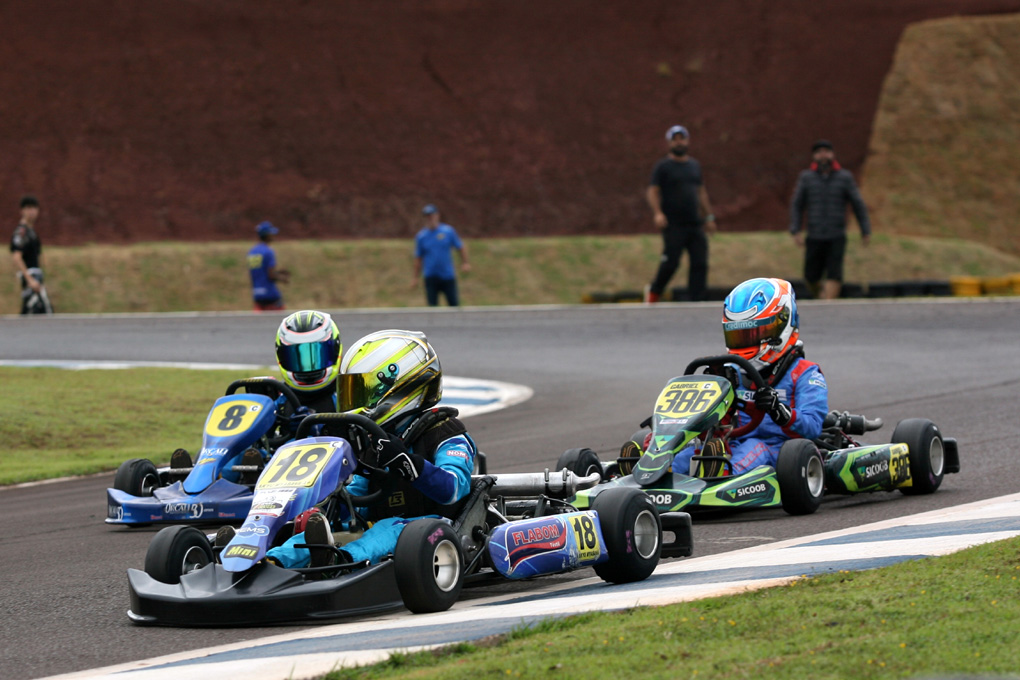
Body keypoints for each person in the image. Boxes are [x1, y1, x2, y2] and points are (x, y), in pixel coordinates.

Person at [255, 329, 478, 568]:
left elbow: (453, 488)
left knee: (385, 529)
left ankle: (340, 561)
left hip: (435, 527)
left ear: (402, 388)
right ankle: (270, 561)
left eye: (365, 391)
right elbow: (359, 495)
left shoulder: (446, 432)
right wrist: (331, 501)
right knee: (328, 528)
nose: (356, 400)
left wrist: (405, 462)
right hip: (383, 528)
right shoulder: (377, 439)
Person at [670, 278, 829, 476]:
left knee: (754, 449)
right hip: (736, 441)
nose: (745, 343)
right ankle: (659, 474)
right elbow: (719, 423)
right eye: (739, 336)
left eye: (754, 333)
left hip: (782, 449)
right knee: (688, 455)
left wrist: (778, 410)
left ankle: (722, 477)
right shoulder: (732, 371)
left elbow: (812, 426)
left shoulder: (805, 373)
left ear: (782, 325)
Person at [789, 140, 871, 300]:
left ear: (832, 154)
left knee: (835, 272)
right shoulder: (806, 178)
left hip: (836, 234)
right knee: (810, 275)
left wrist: (865, 229)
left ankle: (828, 304)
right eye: (819, 152)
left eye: (826, 151)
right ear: (814, 156)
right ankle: (822, 298)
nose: (823, 155)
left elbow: (858, 204)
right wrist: (795, 230)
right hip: (814, 234)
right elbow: (797, 205)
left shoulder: (844, 178)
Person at [644, 125, 716, 303]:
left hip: (695, 223)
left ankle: (696, 299)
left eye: (682, 139)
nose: (679, 143)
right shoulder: (663, 166)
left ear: (687, 141)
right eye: (675, 140)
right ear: (669, 143)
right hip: (674, 224)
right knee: (671, 262)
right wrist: (658, 213)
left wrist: (708, 217)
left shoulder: (694, 166)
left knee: (700, 262)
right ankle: (654, 292)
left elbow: (701, 192)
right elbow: (652, 191)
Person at [275, 310, 343, 414]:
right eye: (297, 358)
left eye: (317, 356)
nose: (308, 367)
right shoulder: (278, 403)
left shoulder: (350, 397)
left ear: (336, 350)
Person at [413, 204, 470, 307]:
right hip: (431, 276)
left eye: (431, 215)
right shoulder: (421, 236)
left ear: (437, 215)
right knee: (432, 306)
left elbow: (460, 247)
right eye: (427, 216)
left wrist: (465, 263)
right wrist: (415, 277)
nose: (430, 218)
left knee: (453, 305)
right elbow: (418, 257)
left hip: (447, 275)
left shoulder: (447, 231)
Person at [10, 195, 53, 315]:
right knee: (37, 311)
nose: (32, 212)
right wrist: (29, 279)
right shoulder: (21, 232)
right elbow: (17, 256)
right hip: (30, 276)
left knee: (39, 312)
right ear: (22, 210)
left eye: (34, 208)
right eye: (28, 208)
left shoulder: (31, 231)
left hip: (37, 276)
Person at [248, 221, 289, 311]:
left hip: (257, 294)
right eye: (271, 233)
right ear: (266, 235)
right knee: (282, 318)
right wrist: (282, 278)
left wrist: (278, 272)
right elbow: (271, 275)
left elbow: (260, 271)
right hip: (270, 294)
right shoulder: (268, 251)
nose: (273, 236)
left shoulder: (252, 252)